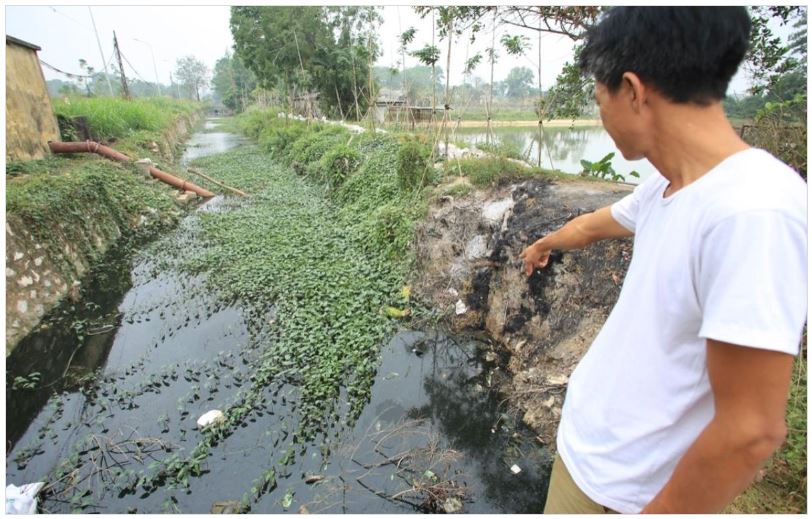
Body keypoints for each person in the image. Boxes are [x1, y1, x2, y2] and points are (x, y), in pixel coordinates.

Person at [519, 7, 808, 514]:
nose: (600, 116)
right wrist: (545, 244)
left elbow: (751, 433)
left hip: (630, 494)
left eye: (598, 97)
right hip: (588, 457)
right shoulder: (667, 186)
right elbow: (590, 226)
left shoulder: (754, 210)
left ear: (632, 90)